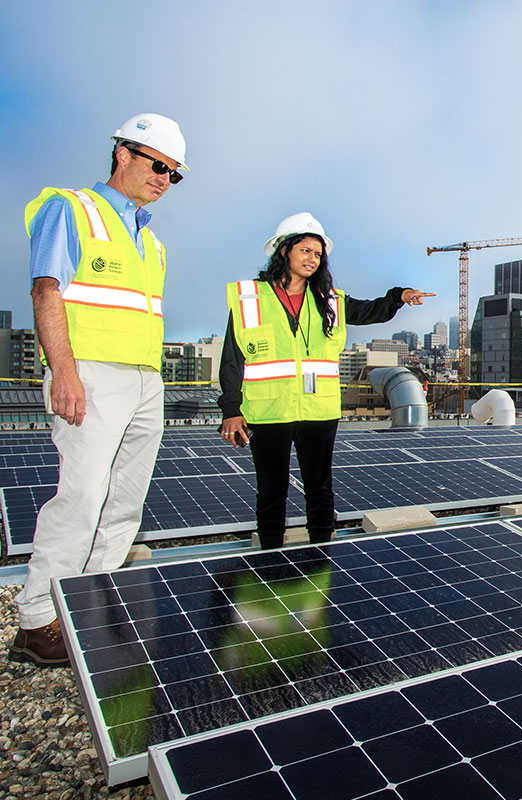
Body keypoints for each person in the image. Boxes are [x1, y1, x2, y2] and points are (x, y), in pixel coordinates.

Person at [10, 113, 189, 667]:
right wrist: (62, 370)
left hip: (144, 380)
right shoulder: (73, 209)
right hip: (89, 373)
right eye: (157, 164)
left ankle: (89, 604)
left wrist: (149, 380)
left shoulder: (152, 242)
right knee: (82, 497)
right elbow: (47, 291)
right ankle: (37, 620)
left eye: (174, 174)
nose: (164, 178)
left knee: (124, 502)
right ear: (123, 154)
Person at [218, 213, 433, 549]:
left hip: (318, 411)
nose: (312, 259)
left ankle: (322, 554)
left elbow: (370, 310)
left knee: (319, 486)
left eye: (317, 254)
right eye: (305, 251)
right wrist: (231, 407)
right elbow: (233, 358)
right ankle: (270, 556)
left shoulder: (329, 300)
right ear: (284, 251)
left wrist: (399, 296)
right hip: (267, 410)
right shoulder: (250, 299)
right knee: (271, 489)